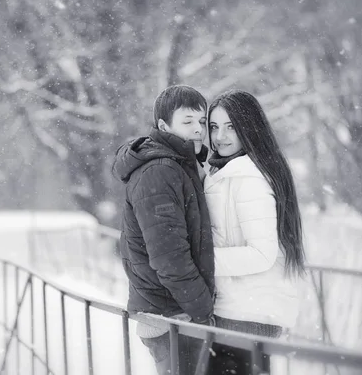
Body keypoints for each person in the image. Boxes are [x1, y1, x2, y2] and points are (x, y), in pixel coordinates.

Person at [112, 85, 216, 375]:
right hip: (171, 314)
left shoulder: (181, 166)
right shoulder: (160, 170)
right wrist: (203, 310)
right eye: (187, 122)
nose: (198, 129)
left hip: (172, 310)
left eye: (202, 121)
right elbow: (168, 255)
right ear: (163, 125)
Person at [203, 90, 306, 374]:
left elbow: (261, 254)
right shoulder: (230, 173)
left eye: (231, 126)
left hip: (245, 311)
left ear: (249, 128)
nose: (220, 136)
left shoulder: (248, 178)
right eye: (214, 127)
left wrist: (201, 260)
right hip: (243, 309)